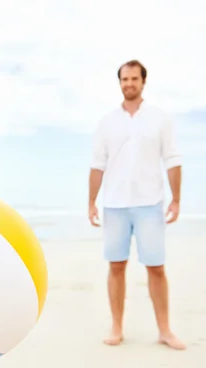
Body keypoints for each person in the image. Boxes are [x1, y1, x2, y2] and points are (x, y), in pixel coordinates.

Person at [87, 59, 186, 350]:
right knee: (116, 266)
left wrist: (176, 199)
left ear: (143, 81)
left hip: (150, 204)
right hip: (115, 205)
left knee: (156, 267)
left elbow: (172, 159)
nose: (129, 83)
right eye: (124, 79)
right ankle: (116, 328)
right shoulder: (107, 122)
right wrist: (91, 201)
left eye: (134, 79)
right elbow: (97, 164)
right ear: (119, 83)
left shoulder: (160, 119)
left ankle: (165, 330)